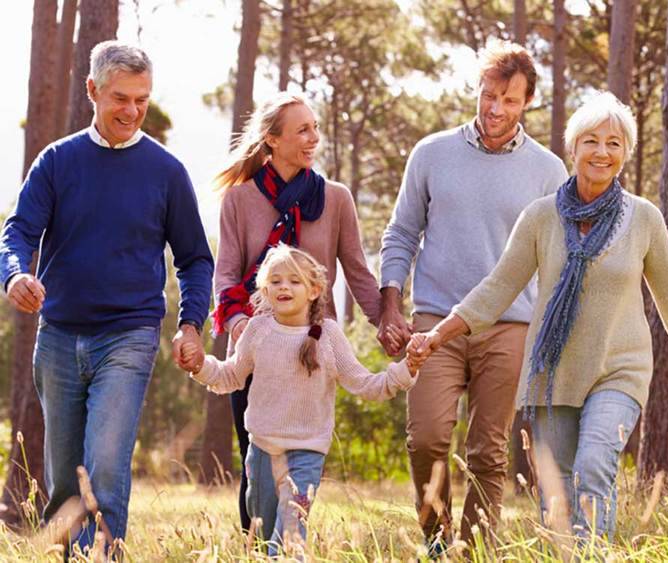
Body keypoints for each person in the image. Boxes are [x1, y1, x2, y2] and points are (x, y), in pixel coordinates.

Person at [407, 92, 668, 540]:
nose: (602, 152)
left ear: (625, 154)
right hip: (554, 373)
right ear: (573, 148)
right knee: (557, 493)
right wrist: (438, 334)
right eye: (592, 141)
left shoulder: (644, 219)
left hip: (619, 369)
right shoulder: (540, 218)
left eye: (614, 143)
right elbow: (499, 287)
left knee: (594, 463)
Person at [0, 41, 212, 551]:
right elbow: (18, 233)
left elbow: (195, 258)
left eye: (141, 99)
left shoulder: (166, 172)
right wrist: (13, 276)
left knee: (107, 465)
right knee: (63, 479)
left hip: (130, 335)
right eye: (120, 98)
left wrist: (190, 324)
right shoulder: (57, 161)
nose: (132, 110)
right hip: (58, 338)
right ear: (92, 90)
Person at [378, 40, 568, 550]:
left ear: (527, 101)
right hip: (434, 322)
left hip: (509, 325)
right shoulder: (432, 153)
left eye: (508, 100)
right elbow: (401, 233)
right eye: (488, 96)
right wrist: (390, 303)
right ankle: (437, 543)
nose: (495, 109)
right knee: (427, 438)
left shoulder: (549, 171)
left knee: (488, 452)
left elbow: (557, 259)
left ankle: (475, 550)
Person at [210, 92, 384, 535]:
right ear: (272, 139)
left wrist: (386, 322)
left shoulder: (336, 199)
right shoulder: (239, 199)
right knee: (255, 460)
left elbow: (358, 271)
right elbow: (226, 274)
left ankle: (289, 543)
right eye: (302, 129)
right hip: (257, 347)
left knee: (303, 462)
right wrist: (241, 326)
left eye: (315, 128)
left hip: (312, 347)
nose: (313, 138)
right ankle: (256, 544)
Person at [183, 244, 419, 555]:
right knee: (265, 535)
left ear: (314, 290)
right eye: (276, 281)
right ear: (265, 289)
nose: (284, 287)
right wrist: (201, 366)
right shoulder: (257, 330)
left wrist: (407, 368)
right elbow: (231, 376)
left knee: (290, 536)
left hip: (306, 454)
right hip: (262, 452)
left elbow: (366, 384)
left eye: (294, 281)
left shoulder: (329, 337)